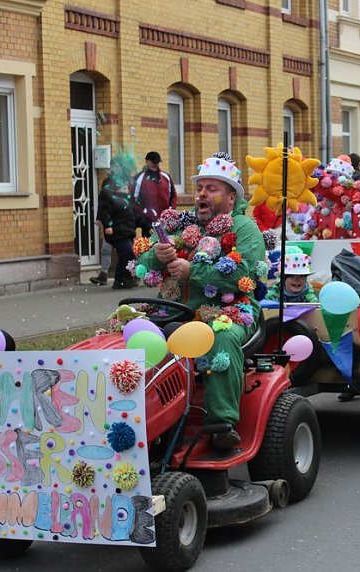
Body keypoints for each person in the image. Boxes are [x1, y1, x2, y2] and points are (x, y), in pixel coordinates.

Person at [136, 153, 265, 450]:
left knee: (219, 337)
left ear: (231, 197)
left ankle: (221, 425)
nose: (202, 194)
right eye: (200, 188)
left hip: (228, 310)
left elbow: (245, 273)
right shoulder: (184, 226)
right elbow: (144, 262)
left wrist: (192, 271)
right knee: (129, 333)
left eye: (212, 188)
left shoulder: (244, 228)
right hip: (174, 310)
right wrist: (156, 256)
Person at [95, 175, 150, 289]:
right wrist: (108, 225)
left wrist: (147, 225)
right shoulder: (111, 199)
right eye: (124, 186)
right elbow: (105, 213)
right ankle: (121, 279)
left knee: (126, 255)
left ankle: (122, 280)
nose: (126, 187)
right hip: (117, 233)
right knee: (127, 253)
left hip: (127, 233)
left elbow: (136, 216)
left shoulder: (127, 201)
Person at [132, 150, 177, 223]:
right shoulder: (139, 179)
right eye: (153, 162)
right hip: (148, 222)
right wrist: (144, 218)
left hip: (166, 220)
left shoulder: (166, 177)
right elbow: (134, 200)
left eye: (157, 162)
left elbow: (173, 195)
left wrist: (171, 211)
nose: (155, 164)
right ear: (147, 161)